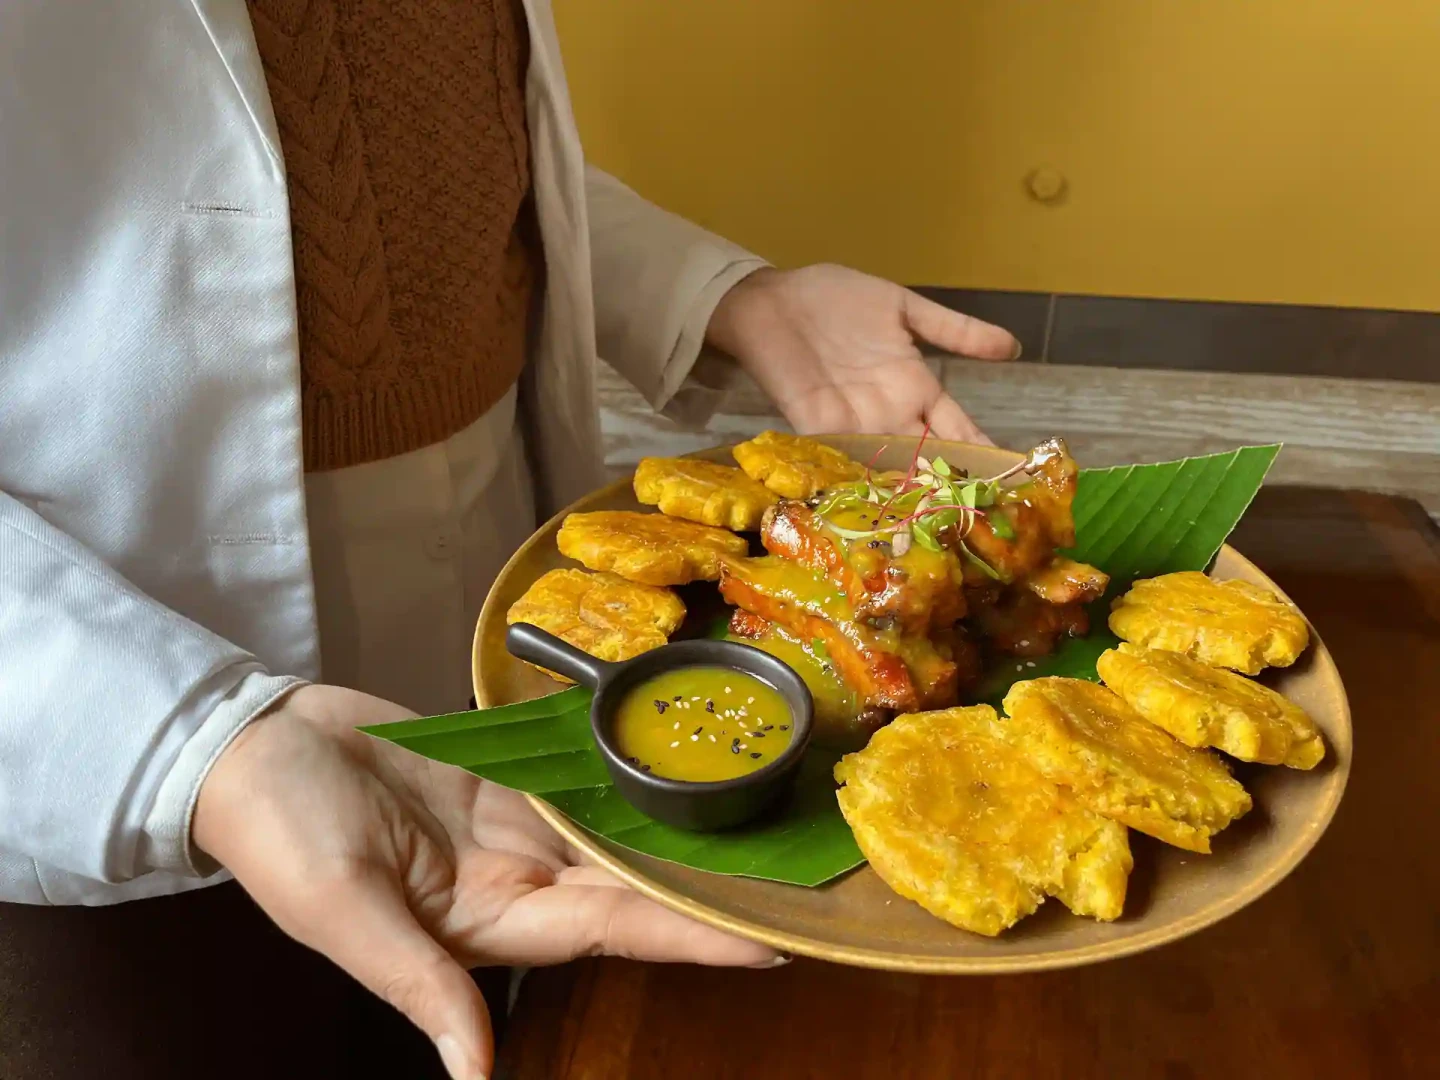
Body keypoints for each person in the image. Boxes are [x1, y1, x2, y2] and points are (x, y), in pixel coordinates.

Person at [0, 3, 1018, 1078]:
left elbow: (435, 165)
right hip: (105, 701)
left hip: (507, 612)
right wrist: (177, 742)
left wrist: (717, 293)